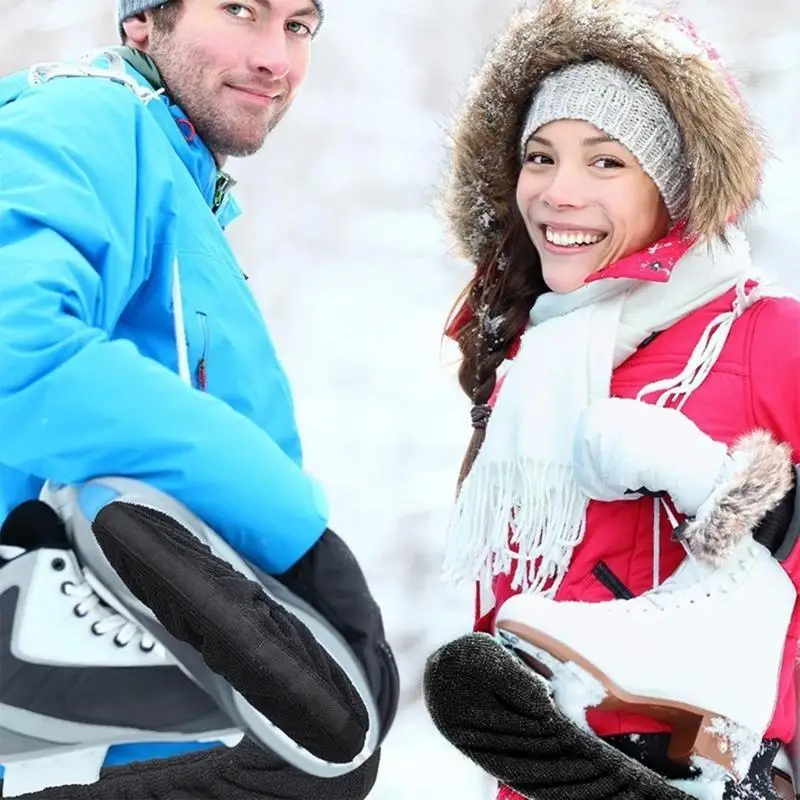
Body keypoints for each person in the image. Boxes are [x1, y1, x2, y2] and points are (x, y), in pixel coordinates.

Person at [0, 0, 398, 795]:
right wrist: (301, 544)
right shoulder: (86, 116)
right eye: (241, 10)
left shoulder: (175, 179)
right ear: (144, 21)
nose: (276, 59)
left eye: (298, 26)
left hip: (133, 706)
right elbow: (18, 348)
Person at [421, 0, 800, 798]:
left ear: (675, 187)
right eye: (539, 157)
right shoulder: (527, 359)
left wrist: (711, 484)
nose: (559, 193)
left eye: (605, 162)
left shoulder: (769, 334)